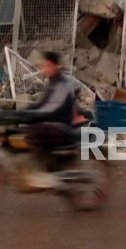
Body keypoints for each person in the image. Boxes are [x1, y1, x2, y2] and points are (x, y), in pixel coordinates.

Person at [17, 51, 77, 189]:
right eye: (43, 65)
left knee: (33, 134)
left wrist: (29, 115)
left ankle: (41, 174)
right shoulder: (52, 82)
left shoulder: (62, 84)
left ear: (56, 66)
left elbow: (50, 108)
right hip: (52, 123)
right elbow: (40, 105)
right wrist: (19, 113)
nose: (44, 68)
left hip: (60, 125)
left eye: (47, 65)